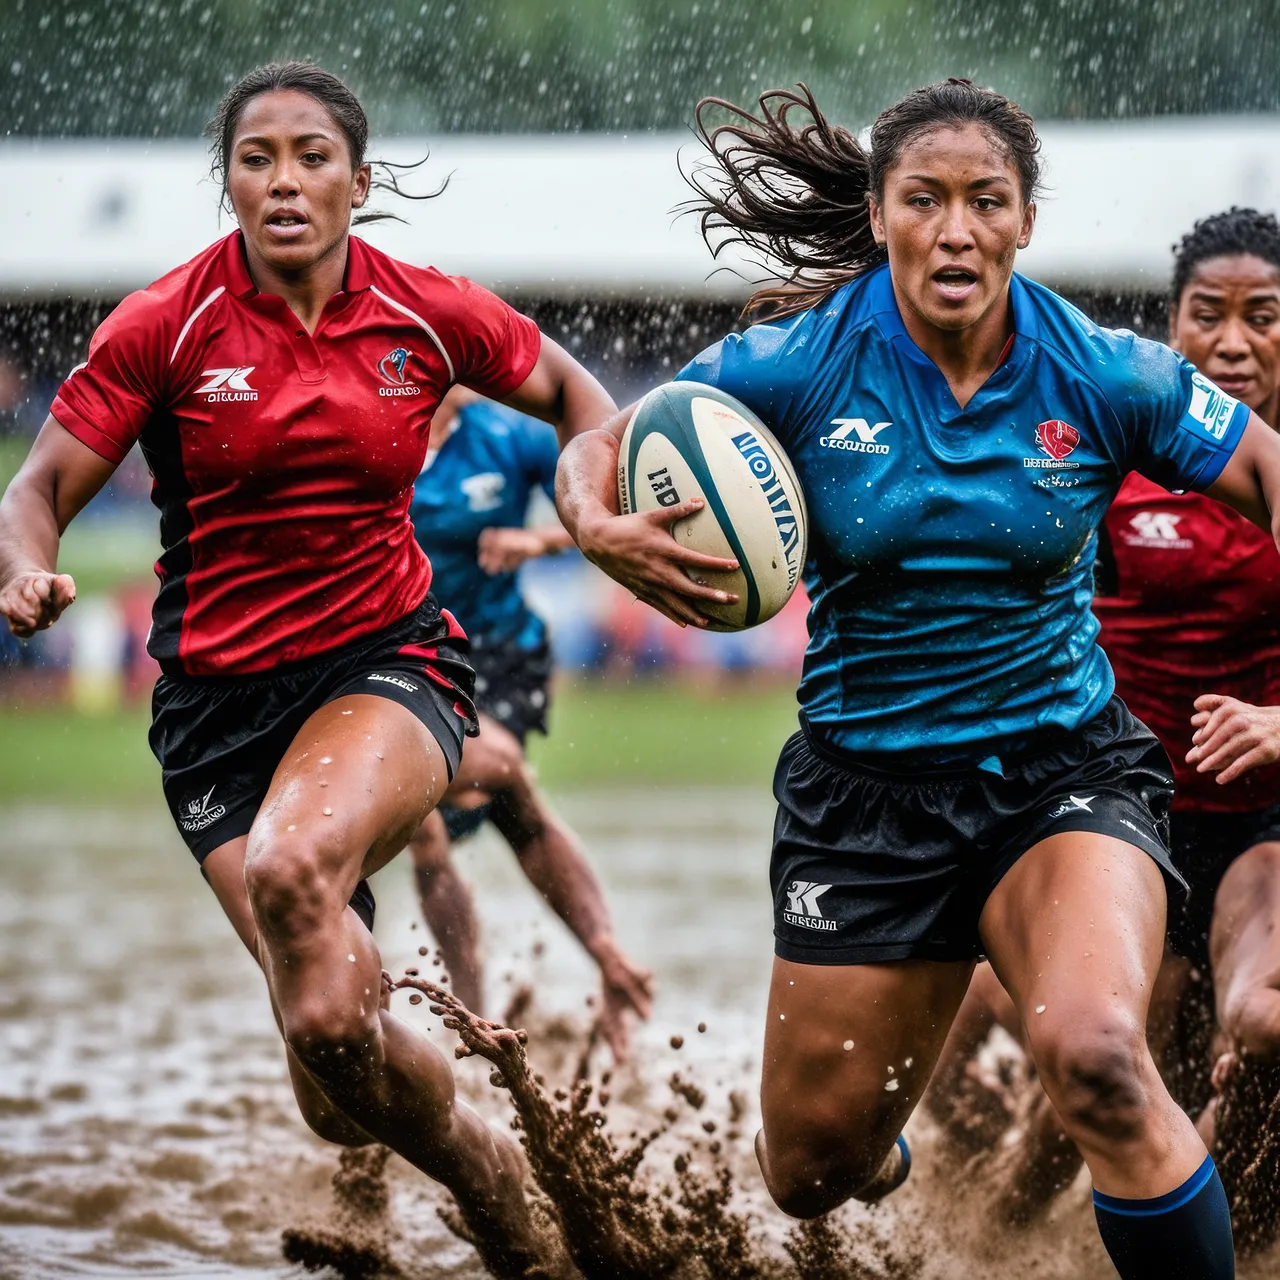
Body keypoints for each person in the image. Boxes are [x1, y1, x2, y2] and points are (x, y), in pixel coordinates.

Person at [554, 79, 1280, 1278]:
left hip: (1058, 772)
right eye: (924, 200)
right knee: (807, 1171)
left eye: (984, 201)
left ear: (1024, 220)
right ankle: (878, 1143)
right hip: (864, 800)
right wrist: (593, 519)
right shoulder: (799, 360)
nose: (955, 230)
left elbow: (1264, 466)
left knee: (1099, 1054)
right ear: (882, 215)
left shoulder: (1103, 372)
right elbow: (604, 443)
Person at [0, 62, 617, 1278]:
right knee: (332, 1054)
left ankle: (508, 1223)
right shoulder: (162, 323)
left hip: (386, 667)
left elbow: (570, 393)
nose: (284, 180)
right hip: (216, 718)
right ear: (226, 184)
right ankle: (485, 1158)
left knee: (294, 870)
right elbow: (37, 492)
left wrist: (591, 506)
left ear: (358, 180)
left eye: (312, 156)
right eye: (257, 158)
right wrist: (25, 568)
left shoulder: (427, 311)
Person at [928, 208, 1280, 1244]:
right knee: (1051, 1096)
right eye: (1202, 315)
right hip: (1113, 812)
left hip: (1255, 828)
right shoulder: (1102, 450)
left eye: (1259, 316)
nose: (1228, 339)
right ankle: (984, 1249)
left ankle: (1222, 1231)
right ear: (1168, 330)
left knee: (1259, 1026)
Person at [405, 384, 652, 1061]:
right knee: (434, 832)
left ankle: (593, 962)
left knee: (491, 780)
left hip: (501, 661)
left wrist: (537, 540)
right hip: (410, 663)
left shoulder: (509, 439)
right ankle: (479, 1020)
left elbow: (605, 498)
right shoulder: (375, 436)